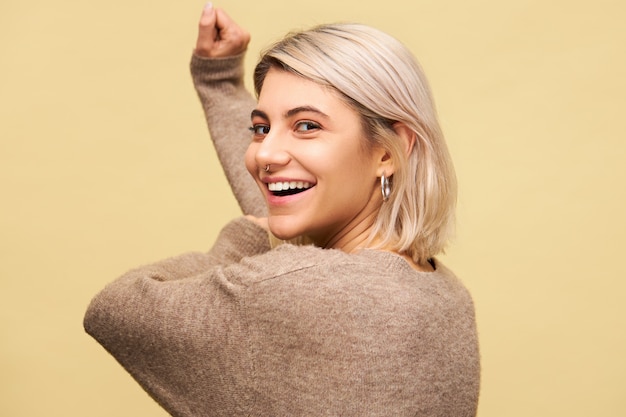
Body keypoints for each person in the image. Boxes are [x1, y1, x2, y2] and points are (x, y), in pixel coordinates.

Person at [84, 4, 480, 416]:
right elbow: (298, 200)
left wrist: (243, 240)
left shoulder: (299, 293)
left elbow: (113, 309)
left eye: (307, 126)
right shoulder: (445, 295)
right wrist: (218, 80)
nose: (264, 153)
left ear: (387, 150)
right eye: (260, 128)